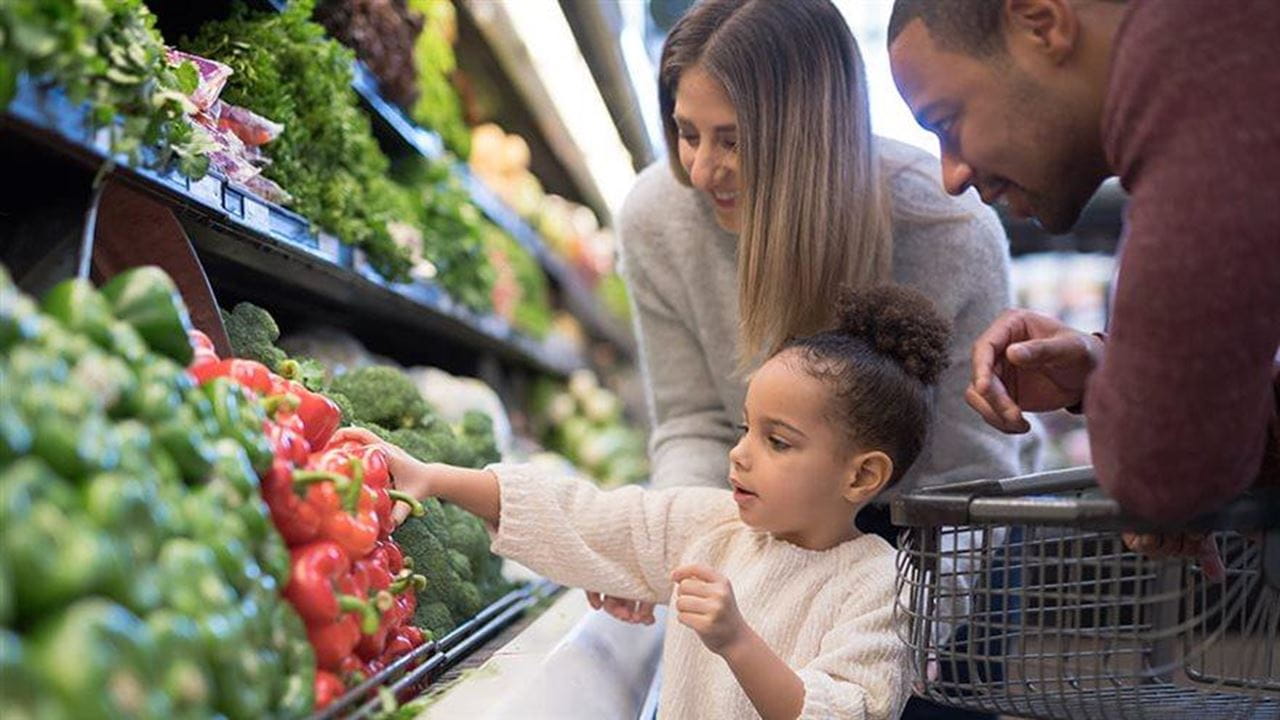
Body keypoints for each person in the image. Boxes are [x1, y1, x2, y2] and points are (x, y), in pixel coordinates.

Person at [608, 0, 1036, 634]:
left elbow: (966, 473)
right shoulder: (656, 219)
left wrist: (901, 641)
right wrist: (668, 551)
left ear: (811, 135)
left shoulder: (949, 233)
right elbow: (694, 423)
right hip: (763, 520)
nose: (700, 169)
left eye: (733, 140)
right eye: (687, 131)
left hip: (926, 543)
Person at [336, 285, 946, 720]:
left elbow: (845, 711)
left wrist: (737, 639)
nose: (740, 455)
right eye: (743, 429)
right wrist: (438, 478)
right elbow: (587, 516)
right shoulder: (713, 527)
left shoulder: (878, 584)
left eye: (777, 441)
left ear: (862, 475)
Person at [886, 0, 1280, 538]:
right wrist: (1104, 370)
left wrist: (1154, 428)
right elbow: (1193, 451)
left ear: (1041, 25)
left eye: (948, 121)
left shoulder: (1197, 65)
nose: (951, 175)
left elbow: (1163, 475)